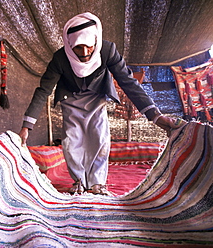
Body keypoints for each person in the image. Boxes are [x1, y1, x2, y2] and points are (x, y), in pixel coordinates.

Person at [18, 12, 183, 195]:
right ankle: (79, 181)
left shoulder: (107, 50)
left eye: (90, 47)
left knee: (99, 139)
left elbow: (128, 82)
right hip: (71, 100)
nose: (85, 53)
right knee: (73, 140)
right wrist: (27, 126)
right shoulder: (60, 58)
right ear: (69, 44)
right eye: (79, 48)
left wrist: (154, 115)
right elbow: (43, 90)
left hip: (96, 98)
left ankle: (97, 183)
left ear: (96, 41)